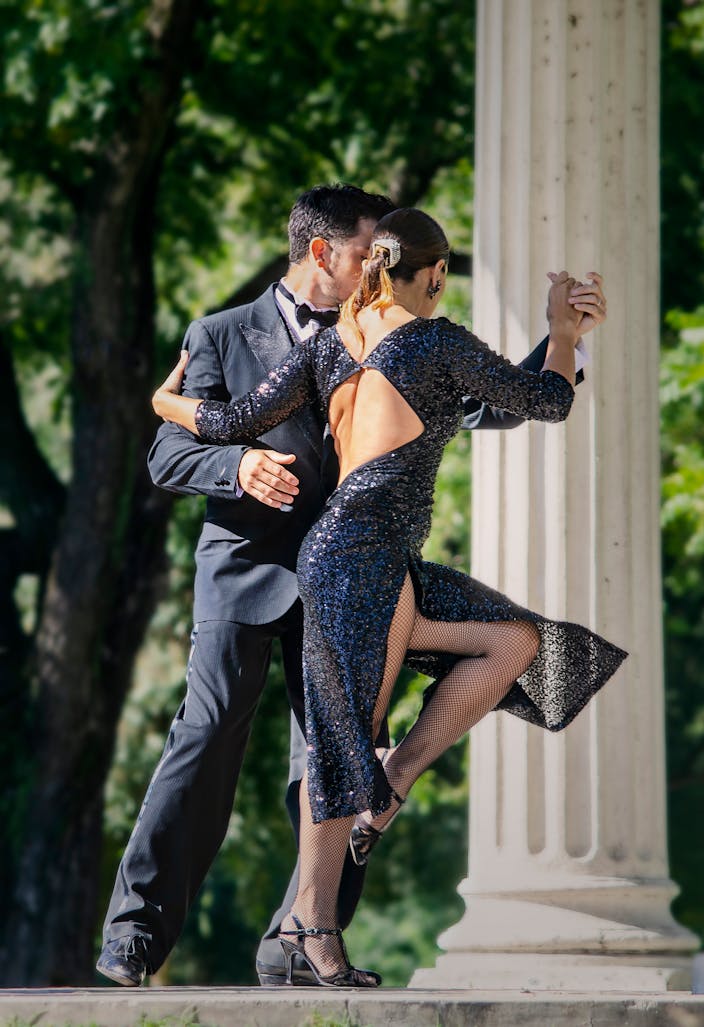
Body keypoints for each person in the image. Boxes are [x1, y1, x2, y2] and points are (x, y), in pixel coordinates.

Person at [96, 185, 603, 989]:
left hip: (358, 570)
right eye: (369, 251)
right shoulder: (231, 334)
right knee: (212, 734)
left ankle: (300, 934)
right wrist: (232, 461)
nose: (377, 265)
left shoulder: (372, 340)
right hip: (259, 568)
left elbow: (500, 401)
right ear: (326, 253)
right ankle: (147, 934)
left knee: (345, 746)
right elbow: (177, 450)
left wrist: (562, 340)